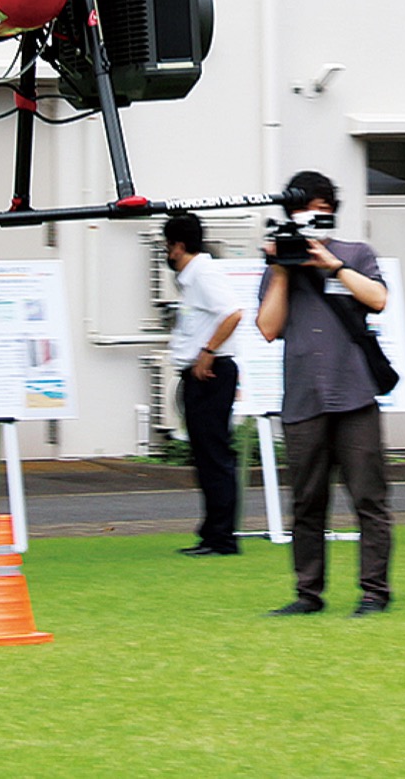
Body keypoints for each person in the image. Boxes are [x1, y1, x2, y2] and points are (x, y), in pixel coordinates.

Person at [255, 171, 393, 617]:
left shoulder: (356, 253)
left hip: (354, 395)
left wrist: (331, 264)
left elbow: (377, 299)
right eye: (302, 210)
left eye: (320, 209)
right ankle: (307, 593)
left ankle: (374, 591)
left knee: (369, 498)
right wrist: (281, 269)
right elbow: (268, 328)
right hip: (303, 398)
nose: (312, 217)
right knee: (307, 502)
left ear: (331, 211)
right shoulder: (281, 264)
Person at [163, 213, 243, 557]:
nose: (167, 254)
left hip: (210, 375)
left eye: (168, 246)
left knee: (214, 457)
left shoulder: (204, 275)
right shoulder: (193, 278)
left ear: (178, 246)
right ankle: (213, 533)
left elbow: (233, 313)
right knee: (207, 456)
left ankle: (221, 538)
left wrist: (208, 352)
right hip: (200, 375)